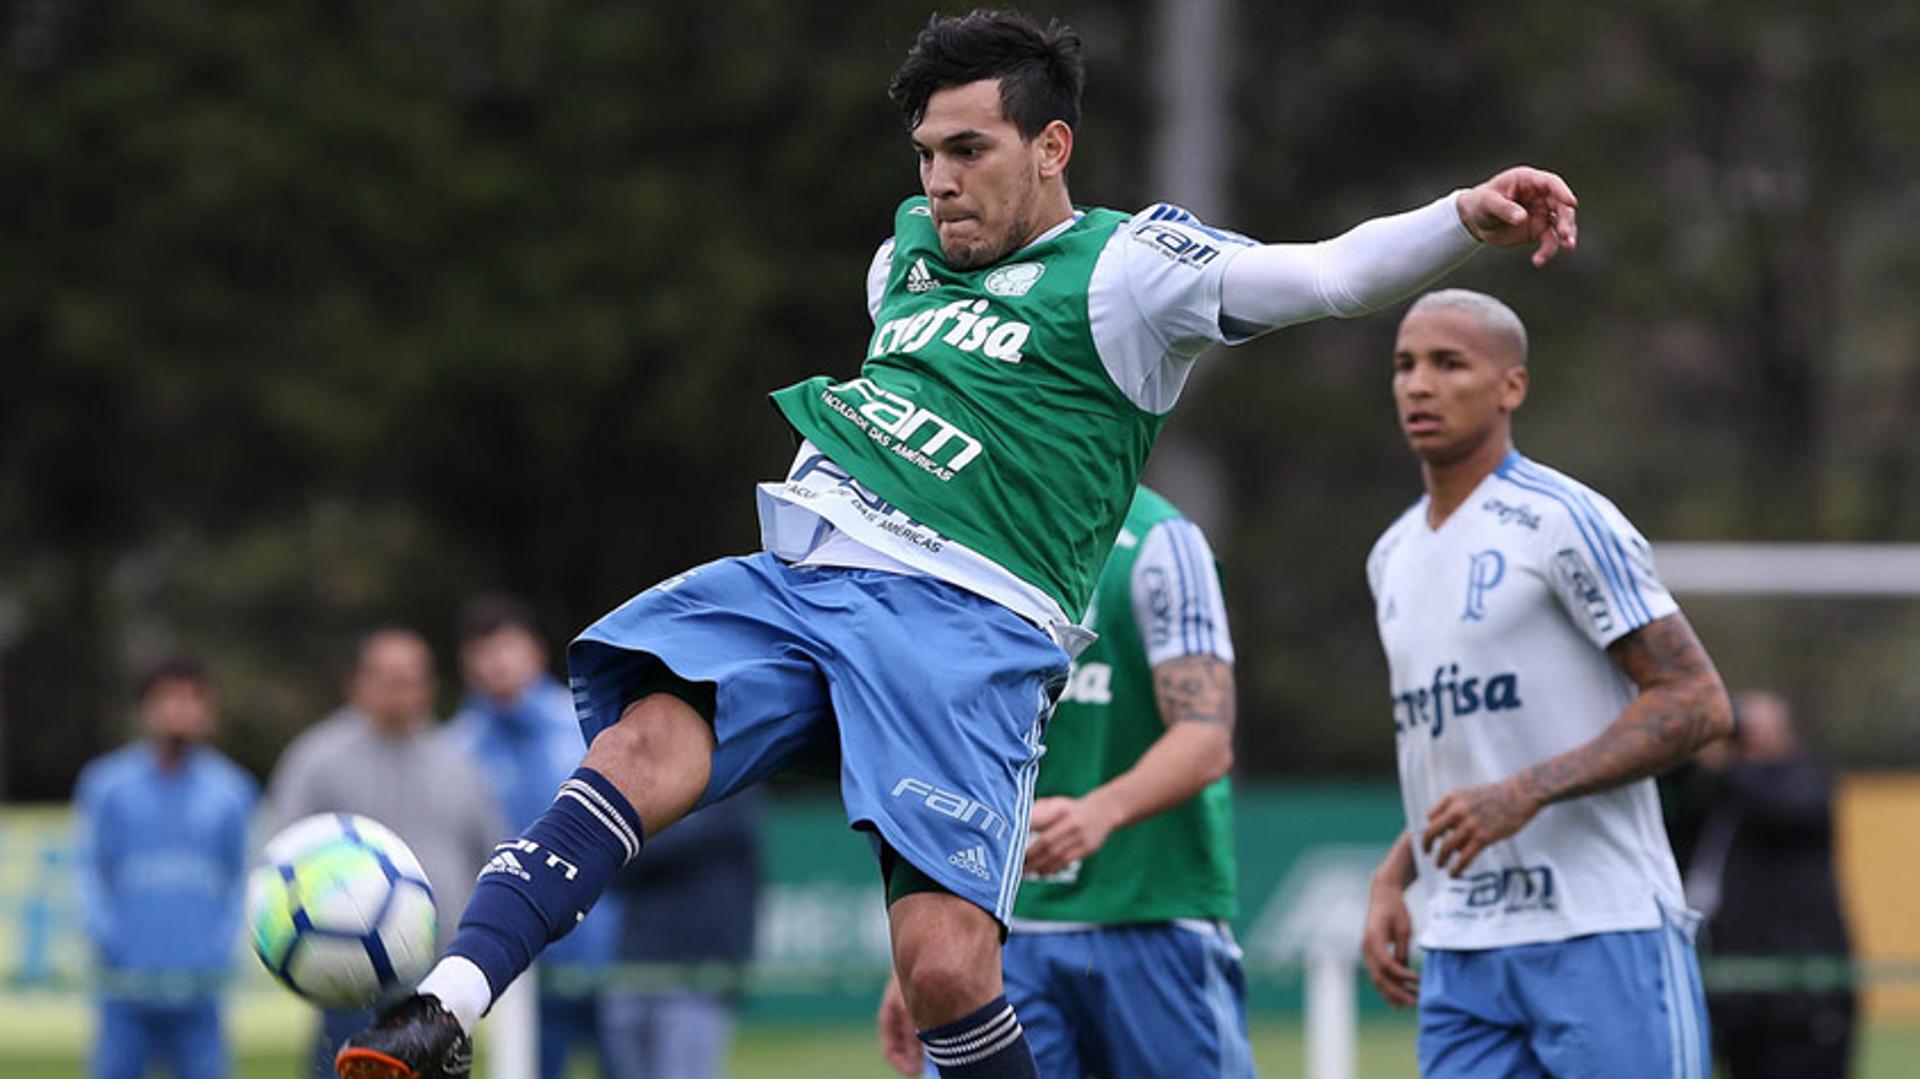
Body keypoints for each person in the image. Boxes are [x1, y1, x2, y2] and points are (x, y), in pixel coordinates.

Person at [338, 12, 1581, 1079]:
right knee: (635, 743)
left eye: (969, 150)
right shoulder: (906, 259)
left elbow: (1320, 276)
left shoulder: (1129, 270)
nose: (940, 180)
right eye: (926, 152)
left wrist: (1459, 217)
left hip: (964, 628)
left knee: (943, 972)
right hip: (806, 572)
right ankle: (442, 1003)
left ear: (1052, 147)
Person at [1357, 289, 1735, 1078]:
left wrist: (1525, 790)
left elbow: (1696, 702)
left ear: (1511, 387)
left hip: (1600, 927)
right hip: (1462, 944)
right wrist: (1398, 872)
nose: (1418, 384)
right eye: (1404, 365)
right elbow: (1463, 747)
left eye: (1448, 363)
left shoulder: (1564, 521)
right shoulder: (1391, 554)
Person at [877, 486, 1251, 1077]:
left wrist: (1100, 811)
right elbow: (944, 748)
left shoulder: (1161, 541)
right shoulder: (969, 534)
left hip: (1150, 921)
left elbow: (1206, 739)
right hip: (997, 934)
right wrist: (923, 944)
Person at [270, 628, 503, 1078]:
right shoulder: (317, 759)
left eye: (415, 678)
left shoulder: (460, 761)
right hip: (350, 980)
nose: (405, 691)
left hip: (438, 981)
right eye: (392, 678)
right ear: (358, 682)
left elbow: (491, 853)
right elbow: (286, 859)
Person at [447, 596, 621, 1079]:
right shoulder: (457, 747)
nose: (497, 662)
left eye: (507, 647)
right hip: (517, 958)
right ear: (467, 665)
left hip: (605, 950)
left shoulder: (588, 725)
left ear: (536, 651)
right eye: (483, 651)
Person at [72, 656, 259, 1079]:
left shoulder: (232, 791)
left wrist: (220, 951)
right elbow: (89, 872)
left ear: (209, 712)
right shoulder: (107, 786)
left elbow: (242, 880)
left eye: (193, 699)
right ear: (144, 709)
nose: (181, 709)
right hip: (124, 988)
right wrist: (109, 941)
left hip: (201, 991)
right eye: (168, 698)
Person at [1682, 690, 1855, 1079]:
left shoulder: (1802, 778)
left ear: (1786, 732)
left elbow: (1789, 811)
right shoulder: (1720, 794)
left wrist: (1729, 765)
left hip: (1801, 990)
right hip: (1738, 989)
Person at [601, 785, 763, 1079]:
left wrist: (625, 839)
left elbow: (681, 838)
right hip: (635, 966)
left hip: (698, 974)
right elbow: (611, 863)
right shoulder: (648, 787)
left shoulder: (733, 786)